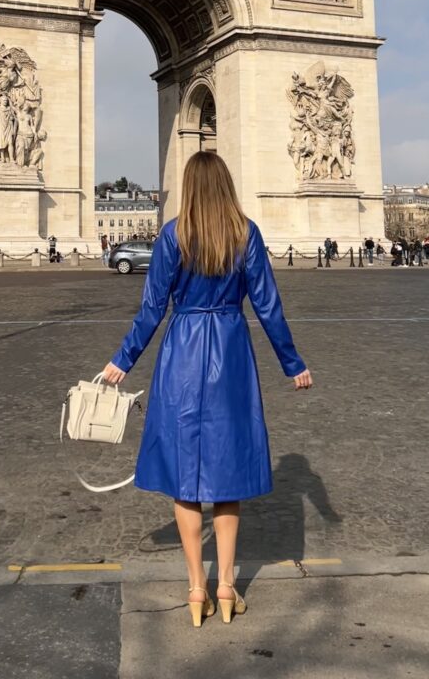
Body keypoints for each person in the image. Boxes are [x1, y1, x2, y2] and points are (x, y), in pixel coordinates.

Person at [101, 152, 311, 628]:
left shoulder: (173, 235)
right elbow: (268, 305)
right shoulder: (245, 233)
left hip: (183, 351)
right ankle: (227, 585)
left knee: (184, 473)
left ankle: (196, 585)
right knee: (228, 469)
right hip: (231, 353)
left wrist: (123, 360)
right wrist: (292, 363)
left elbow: (152, 308)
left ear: (189, 187)